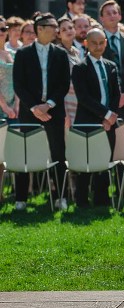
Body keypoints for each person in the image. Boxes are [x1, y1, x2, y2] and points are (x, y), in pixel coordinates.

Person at [12, 13, 70, 211]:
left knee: (58, 153)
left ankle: (60, 196)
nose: (57, 30)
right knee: (26, 153)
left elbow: (64, 84)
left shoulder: (61, 54)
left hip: (53, 111)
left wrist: (49, 104)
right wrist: (34, 107)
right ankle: (21, 198)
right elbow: (18, 85)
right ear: (40, 29)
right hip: (30, 112)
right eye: (53, 26)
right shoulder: (23, 53)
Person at [71, 28, 120, 208]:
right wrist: (105, 115)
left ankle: (102, 197)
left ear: (105, 43)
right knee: (86, 161)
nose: (98, 46)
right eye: (94, 43)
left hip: (109, 122)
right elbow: (83, 98)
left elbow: (116, 94)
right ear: (86, 44)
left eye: (101, 43)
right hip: (87, 121)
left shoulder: (111, 66)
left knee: (105, 159)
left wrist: (111, 117)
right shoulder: (79, 68)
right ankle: (82, 199)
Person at [100, 0, 124, 129]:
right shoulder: (96, 42)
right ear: (102, 18)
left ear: (120, 16)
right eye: (108, 13)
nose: (112, 15)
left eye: (114, 12)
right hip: (105, 102)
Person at [56, 16, 82, 127]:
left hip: (77, 101)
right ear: (58, 34)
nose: (68, 31)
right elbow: (57, 84)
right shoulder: (56, 52)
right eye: (64, 29)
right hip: (65, 103)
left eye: (70, 28)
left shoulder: (77, 52)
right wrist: (64, 112)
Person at [0, 17, 18, 122]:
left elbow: (18, 80)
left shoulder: (14, 54)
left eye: (3, 29)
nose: (1, 32)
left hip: (14, 108)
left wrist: (17, 104)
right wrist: (4, 107)